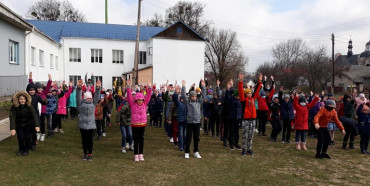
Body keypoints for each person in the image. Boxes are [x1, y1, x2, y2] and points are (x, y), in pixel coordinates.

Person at [126, 79, 153, 162]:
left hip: (142, 124)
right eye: (139, 100)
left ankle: (141, 154)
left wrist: (149, 87)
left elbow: (148, 95)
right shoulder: (132, 104)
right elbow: (129, 96)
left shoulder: (145, 104)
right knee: (136, 139)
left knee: (141, 139)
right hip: (135, 124)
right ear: (136, 100)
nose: (140, 101)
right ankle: (136, 155)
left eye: (141, 100)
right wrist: (129, 87)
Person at [76, 79, 101, 161]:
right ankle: (85, 154)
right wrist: (79, 88)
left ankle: (90, 154)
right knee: (84, 140)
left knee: (90, 141)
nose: (89, 99)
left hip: (91, 126)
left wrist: (98, 88)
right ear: (85, 98)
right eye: (87, 98)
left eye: (90, 98)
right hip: (83, 125)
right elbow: (78, 97)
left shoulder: (93, 104)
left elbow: (97, 97)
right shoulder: (80, 104)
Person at [238, 73, 262, 155]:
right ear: (245, 94)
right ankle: (244, 149)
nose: (250, 94)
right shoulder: (243, 100)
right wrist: (240, 81)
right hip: (246, 120)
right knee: (245, 135)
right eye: (248, 93)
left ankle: (249, 149)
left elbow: (257, 90)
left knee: (251, 136)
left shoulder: (253, 98)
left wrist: (260, 81)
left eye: (250, 93)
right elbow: (241, 91)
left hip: (253, 120)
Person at [9, 91, 40, 156]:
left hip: (27, 124)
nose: (22, 100)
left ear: (26, 99)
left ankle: (26, 150)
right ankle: (21, 150)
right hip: (18, 125)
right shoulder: (14, 107)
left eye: (24, 99)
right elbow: (12, 118)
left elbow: (34, 116)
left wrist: (37, 125)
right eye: (21, 99)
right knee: (21, 137)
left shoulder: (29, 106)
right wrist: (12, 128)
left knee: (28, 137)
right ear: (18, 100)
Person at [181, 79, 206, 159]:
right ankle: (187, 152)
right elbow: (184, 96)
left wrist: (203, 87)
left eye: (195, 96)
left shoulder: (199, 102)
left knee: (196, 138)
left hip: (197, 122)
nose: (194, 97)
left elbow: (203, 95)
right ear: (191, 96)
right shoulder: (188, 102)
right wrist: (183, 86)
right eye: (193, 96)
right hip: (190, 122)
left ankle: (196, 151)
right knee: (188, 137)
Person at [225, 79, 242, 150]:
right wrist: (228, 88)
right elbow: (227, 96)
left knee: (236, 131)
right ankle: (231, 144)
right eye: (237, 95)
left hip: (237, 118)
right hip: (231, 117)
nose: (239, 96)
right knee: (231, 131)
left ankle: (236, 143)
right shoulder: (232, 99)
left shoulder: (240, 101)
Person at [173, 85, 188, 151]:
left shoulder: (186, 104)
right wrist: (176, 92)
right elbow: (174, 98)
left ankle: (184, 145)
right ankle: (181, 146)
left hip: (185, 120)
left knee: (184, 134)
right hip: (180, 120)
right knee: (181, 133)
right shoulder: (179, 104)